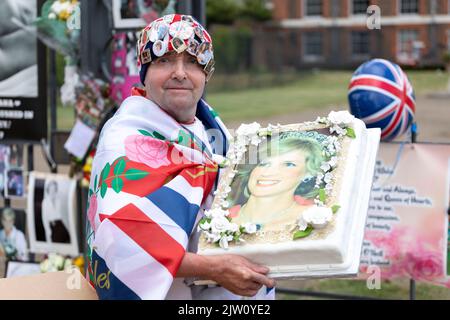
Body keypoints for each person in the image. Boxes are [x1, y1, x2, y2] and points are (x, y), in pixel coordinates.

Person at [86, 14, 275, 300]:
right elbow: (122, 240)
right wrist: (214, 268)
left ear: (206, 74)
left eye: (193, 62)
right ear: (145, 72)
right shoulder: (123, 138)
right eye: (164, 60)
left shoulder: (210, 129)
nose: (180, 72)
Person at [229, 133, 325, 231]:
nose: (267, 173)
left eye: (288, 164)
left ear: (308, 174)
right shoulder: (222, 218)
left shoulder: (315, 218)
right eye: (264, 163)